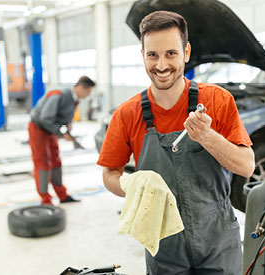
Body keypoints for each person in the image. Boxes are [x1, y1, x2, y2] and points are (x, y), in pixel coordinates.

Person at [97, 11, 255, 274]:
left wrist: (208, 137)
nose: (161, 65)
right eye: (153, 55)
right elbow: (109, 174)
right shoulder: (127, 114)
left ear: (187, 52)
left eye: (171, 53)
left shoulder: (217, 100)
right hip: (163, 245)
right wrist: (132, 183)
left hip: (217, 241)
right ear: (143, 55)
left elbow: (247, 166)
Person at [29, 76, 95, 205]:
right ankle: (45, 200)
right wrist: (61, 133)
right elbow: (45, 118)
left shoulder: (74, 99)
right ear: (81, 87)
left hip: (51, 130)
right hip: (39, 129)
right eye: (88, 92)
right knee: (42, 163)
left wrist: (67, 125)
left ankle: (62, 195)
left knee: (56, 162)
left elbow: (62, 115)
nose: (88, 95)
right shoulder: (58, 94)